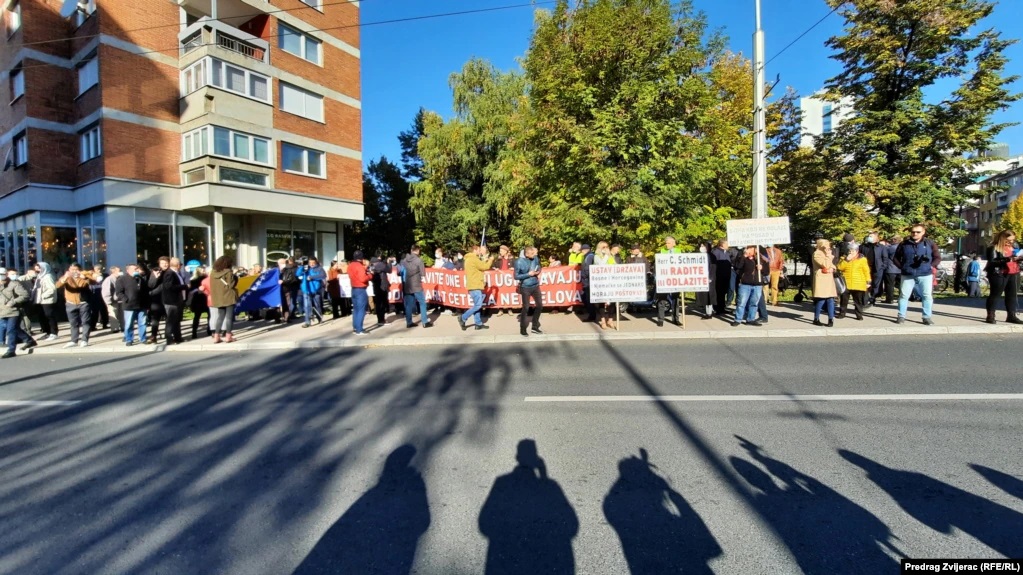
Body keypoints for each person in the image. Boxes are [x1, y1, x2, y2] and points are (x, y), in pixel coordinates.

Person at [893, 224, 941, 325]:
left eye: (918, 232)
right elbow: (895, 258)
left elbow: (937, 257)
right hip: (907, 274)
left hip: (925, 274)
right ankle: (901, 316)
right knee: (903, 296)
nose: (915, 234)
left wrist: (931, 266)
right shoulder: (904, 244)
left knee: (927, 296)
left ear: (923, 232)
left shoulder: (929, 243)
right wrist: (902, 267)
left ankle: (926, 317)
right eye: (913, 232)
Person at [984, 230, 1022, 324]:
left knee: (1012, 295)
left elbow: (1017, 256)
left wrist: (1020, 258)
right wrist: (1008, 259)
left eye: (1013, 240)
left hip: (1014, 272)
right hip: (998, 273)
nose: (1011, 242)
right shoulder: (994, 247)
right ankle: (990, 315)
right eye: (1009, 240)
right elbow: (992, 261)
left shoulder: (1015, 246)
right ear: (1002, 238)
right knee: (995, 294)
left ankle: (1011, 316)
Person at [55, 263, 95, 348]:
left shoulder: (84, 277)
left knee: (85, 322)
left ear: (79, 270)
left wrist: (83, 277)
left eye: (76, 269)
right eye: (72, 269)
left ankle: (84, 340)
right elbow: (58, 285)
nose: (74, 271)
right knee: (73, 323)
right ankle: (74, 340)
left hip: (83, 303)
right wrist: (66, 277)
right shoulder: (66, 277)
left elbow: (82, 285)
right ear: (69, 270)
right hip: (70, 303)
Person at [458, 244, 494, 331]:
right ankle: (463, 317)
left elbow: (479, 267)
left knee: (476, 305)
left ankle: (478, 323)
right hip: (475, 285)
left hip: (473, 284)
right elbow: (485, 267)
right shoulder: (473, 259)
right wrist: (490, 260)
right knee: (478, 305)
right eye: (478, 250)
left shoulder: (469, 259)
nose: (479, 252)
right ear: (475, 250)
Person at [115, 264, 150, 346]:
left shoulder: (140, 279)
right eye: (135, 269)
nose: (137, 270)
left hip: (142, 305)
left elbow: (146, 292)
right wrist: (126, 299)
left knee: (142, 323)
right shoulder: (122, 279)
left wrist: (147, 304)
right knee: (129, 324)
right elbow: (119, 292)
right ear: (128, 270)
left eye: (137, 269)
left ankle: (143, 338)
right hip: (129, 305)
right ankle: (129, 339)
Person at [0, 268, 30, 359]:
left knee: (11, 330)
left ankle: (11, 350)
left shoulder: (14, 284)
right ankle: (28, 339)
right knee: (13, 328)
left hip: (13, 311)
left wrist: (13, 302)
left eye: (3, 274)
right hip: (2, 311)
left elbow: (25, 295)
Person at [731, 246, 764, 327]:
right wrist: (744, 256)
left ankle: (750, 319)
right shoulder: (743, 258)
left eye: (751, 249)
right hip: (745, 284)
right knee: (741, 303)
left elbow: (766, 272)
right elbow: (738, 266)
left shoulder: (760, 259)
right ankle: (738, 319)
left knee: (754, 303)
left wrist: (761, 268)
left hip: (757, 284)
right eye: (748, 249)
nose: (750, 250)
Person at [837, 242, 871, 321]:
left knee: (858, 301)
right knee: (844, 300)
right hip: (846, 283)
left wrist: (868, 281)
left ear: (857, 251)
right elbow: (839, 268)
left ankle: (859, 314)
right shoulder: (843, 258)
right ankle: (842, 313)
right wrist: (846, 260)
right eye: (849, 250)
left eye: (852, 251)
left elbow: (866, 271)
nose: (850, 252)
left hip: (858, 283)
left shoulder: (862, 259)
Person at [515, 246, 543, 336]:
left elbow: (539, 267)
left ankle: (535, 326)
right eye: (532, 254)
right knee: (526, 307)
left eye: (534, 253)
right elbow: (516, 276)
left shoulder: (535, 258)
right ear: (526, 254)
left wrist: (538, 272)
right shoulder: (519, 261)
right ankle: (523, 328)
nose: (534, 255)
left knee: (539, 305)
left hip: (535, 285)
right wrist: (528, 274)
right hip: (525, 287)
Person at [209, 255, 238, 343]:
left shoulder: (212, 273)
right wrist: (235, 277)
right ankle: (228, 336)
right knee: (229, 317)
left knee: (220, 317)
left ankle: (216, 336)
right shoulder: (228, 272)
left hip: (218, 297)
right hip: (228, 296)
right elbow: (231, 285)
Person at [159, 257, 188, 344]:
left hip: (177, 300)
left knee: (176, 320)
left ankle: (177, 337)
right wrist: (185, 286)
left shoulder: (176, 273)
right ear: (178, 265)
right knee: (171, 321)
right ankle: (169, 338)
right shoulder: (170, 273)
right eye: (181, 265)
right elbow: (169, 286)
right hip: (171, 301)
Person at [402, 245, 431, 329]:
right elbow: (423, 274)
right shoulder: (419, 260)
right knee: (422, 302)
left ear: (411, 250)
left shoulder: (404, 260)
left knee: (408, 305)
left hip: (407, 284)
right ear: (418, 251)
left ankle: (409, 322)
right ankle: (425, 322)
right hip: (417, 284)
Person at [812, 239, 838, 327]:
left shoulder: (827, 254)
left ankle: (831, 319)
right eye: (827, 245)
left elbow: (831, 265)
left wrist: (833, 268)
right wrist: (829, 256)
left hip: (829, 279)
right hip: (822, 279)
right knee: (821, 300)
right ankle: (816, 318)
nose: (828, 247)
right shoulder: (817, 254)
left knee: (830, 299)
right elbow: (825, 264)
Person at [657, 236, 682, 326]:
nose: (666, 245)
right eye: (666, 243)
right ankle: (660, 319)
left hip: (675, 278)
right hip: (665, 278)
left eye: (669, 243)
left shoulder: (678, 251)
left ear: (673, 244)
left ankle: (676, 319)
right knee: (662, 299)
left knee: (676, 299)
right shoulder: (662, 251)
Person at [592, 241, 616, 330]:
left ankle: (610, 319)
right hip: (601, 283)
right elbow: (601, 265)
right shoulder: (597, 257)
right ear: (599, 248)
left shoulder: (610, 257)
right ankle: (602, 320)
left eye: (606, 247)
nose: (605, 249)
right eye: (603, 247)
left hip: (610, 282)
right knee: (601, 302)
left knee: (612, 302)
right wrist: (606, 255)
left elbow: (615, 266)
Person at [32, 262, 58, 341]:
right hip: (40, 300)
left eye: (39, 268)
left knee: (49, 316)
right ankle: (48, 332)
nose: (37, 270)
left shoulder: (48, 276)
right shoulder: (39, 276)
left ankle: (53, 333)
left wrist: (43, 296)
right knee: (43, 317)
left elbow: (52, 289)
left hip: (47, 300)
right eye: (36, 268)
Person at [297, 256, 326, 327]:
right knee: (307, 306)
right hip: (306, 290)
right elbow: (297, 274)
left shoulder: (319, 268)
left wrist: (312, 277)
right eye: (310, 262)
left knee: (317, 305)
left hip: (315, 290)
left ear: (316, 262)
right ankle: (307, 322)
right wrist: (302, 266)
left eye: (313, 262)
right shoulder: (305, 268)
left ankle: (319, 318)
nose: (312, 264)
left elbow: (323, 275)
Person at [347, 251, 371, 335]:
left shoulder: (350, 265)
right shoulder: (359, 266)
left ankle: (355, 327)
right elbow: (363, 278)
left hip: (353, 288)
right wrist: (370, 275)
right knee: (361, 310)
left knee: (356, 309)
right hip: (361, 289)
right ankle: (359, 329)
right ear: (361, 258)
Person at [694, 241, 717, 319]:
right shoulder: (698, 256)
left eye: (704, 246)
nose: (702, 247)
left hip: (709, 279)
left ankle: (709, 313)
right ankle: (707, 310)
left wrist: (710, 278)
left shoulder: (711, 256)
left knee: (709, 296)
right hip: (700, 279)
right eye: (701, 246)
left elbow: (713, 268)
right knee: (703, 296)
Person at [146, 261, 167, 344]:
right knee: (155, 320)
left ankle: (168, 335)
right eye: (162, 264)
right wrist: (155, 277)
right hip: (156, 301)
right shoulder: (152, 275)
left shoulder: (168, 273)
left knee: (169, 319)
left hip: (166, 300)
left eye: (166, 263)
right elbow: (150, 286)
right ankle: (153, 336)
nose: (164, 265)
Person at [188, 266, 212, 340]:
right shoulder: (205, 279)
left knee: (197, 316)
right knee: (208, 315)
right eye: (202, 270)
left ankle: (194, 332)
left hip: (198, 299)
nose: (203, 271)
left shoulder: (193, 280)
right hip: (203, 298)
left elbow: (191, 290)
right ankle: (209, 330)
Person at [711, 240, 732, 315]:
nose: (728, 245)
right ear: (722, 244)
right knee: (718, 292)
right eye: (726, 243)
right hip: (718, 276)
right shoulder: (716, 252)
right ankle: (717, 308)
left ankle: (722, 308)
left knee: (723, 292)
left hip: (726, 275)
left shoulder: (727, 252)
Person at [370, 254, 392, 326]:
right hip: (382, 286)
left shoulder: (371, 264)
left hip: (376, 286)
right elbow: (389, 270)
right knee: (382, 303)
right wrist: (389, 262)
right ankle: (382, 320)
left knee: (378, 303)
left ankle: (379, 319)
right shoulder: (380, 264)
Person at [100, 266, 122, 334]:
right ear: (114, 272)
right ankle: (115, 328)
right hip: (113, 300)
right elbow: (106, 291)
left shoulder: (120, 278)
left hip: (120, 300)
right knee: (113, 314)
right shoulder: (109, 279)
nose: (121, 272)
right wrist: (108, 302)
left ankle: (122, 326)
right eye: (119, 270)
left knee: (120, 314)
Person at [279, 257, 300, 323]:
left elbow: (291, 279)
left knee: (288, 303)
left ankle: (287, 317)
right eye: (281, 263)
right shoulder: (276, 270)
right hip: (279, 289)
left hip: (287, 288)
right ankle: (279, 317)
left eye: (284, 263)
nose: (283, 264)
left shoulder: (289, 269)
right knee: (280, 303)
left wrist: (284, 281)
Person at [882, 235, 902, 304]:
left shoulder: (890, 248)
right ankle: (900, 299)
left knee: (890, 285)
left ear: (894, 240)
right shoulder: (902, 247)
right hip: (900, 269)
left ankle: (889, 299)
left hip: (891, 268)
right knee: (900, 285)